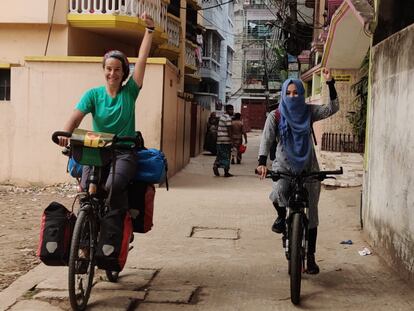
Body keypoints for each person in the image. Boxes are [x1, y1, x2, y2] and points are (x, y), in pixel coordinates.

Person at [57, 12, 155, 212]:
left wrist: (149, 30)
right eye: (109, 69)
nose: (113, 73)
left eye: (117, 69)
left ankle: (120, 223)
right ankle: (85, 233)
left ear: (124, 72)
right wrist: (65, 134)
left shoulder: (130, 92)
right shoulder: (93, 95)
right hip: (96, 149)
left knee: (112, 187)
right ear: (104, 70)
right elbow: (76, 117)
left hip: (123, 151)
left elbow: (142, 60)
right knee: (86, 191)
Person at [256, 68, 339, 274]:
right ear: (283, 94)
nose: (293, 96)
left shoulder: (309, 111)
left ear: (302, 94)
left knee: (312, 213)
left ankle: (310, 257)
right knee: (279, 191)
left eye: (296, 93)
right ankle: (281, 218)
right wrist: (261, 162)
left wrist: (330, 83)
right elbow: (266, 140)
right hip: (284, 164)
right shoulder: (275, 115)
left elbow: (332, 108)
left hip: (308, 166)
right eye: (289, 93)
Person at [213, 105, 234, 177]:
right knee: (227, 156)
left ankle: (216, 165)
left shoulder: (222, 117)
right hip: (226, 141)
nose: (232, 111)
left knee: (220, 155)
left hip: (219, 140)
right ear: (227, 110)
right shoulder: (228, 118)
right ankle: (226, 172)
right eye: (231, 109)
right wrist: (231, 140)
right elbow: (229, 130)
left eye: (232, 109)